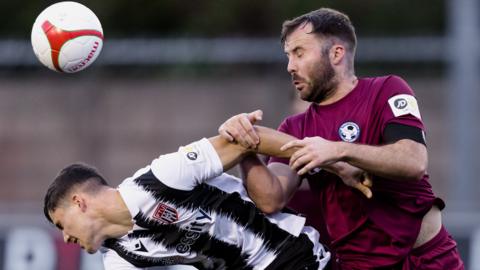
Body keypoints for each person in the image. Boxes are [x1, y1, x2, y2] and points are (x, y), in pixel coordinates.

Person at [218, 8, 464, 270]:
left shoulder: (386, 90)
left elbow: (413, 161)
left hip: (428, 260)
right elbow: (270, 198)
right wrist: (244, 145)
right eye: (288, 56)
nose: (290, 66)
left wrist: (338, 151)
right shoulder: (294, 127)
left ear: (336, 53)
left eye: (299, 53)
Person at [43, 125, 342, 270]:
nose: (66, 237)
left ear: (79, 203)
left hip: (293, 258)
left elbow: (245, 140)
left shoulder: (161, 178)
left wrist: (332, 161)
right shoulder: (119, 257)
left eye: (61, 224)